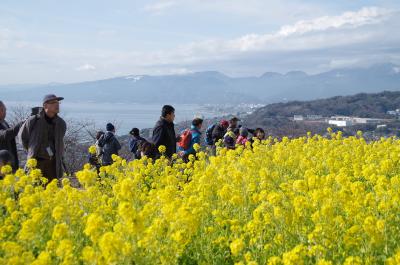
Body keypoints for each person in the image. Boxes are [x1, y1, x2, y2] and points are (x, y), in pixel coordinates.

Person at [19, 94, 67, 182]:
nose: (57, 105)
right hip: (36, 162)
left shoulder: (61, 123)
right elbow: (23, 138)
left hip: (53, 164)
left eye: (58, 102)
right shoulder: (34, 120)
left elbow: (60, 142)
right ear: (45, 105)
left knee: (51, 191)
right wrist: (31, 151)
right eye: (53, 102)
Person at [0, 101, 24, 171]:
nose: (5, 112)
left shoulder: (4, 122)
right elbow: (5, 134)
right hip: (2, 165)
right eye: (3, 110)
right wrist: (20, 125)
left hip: (10, 162)